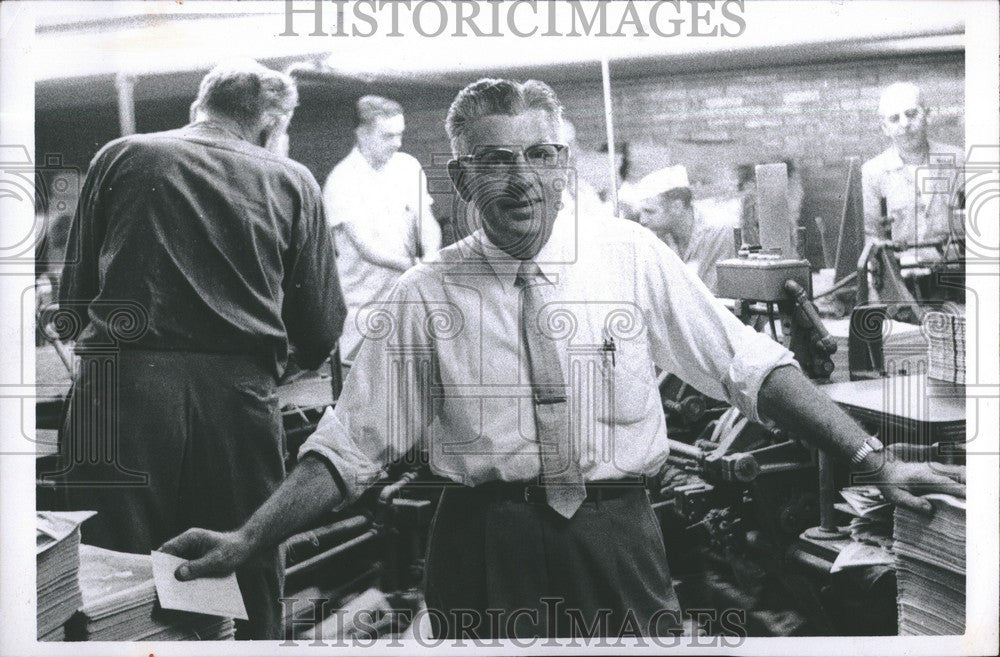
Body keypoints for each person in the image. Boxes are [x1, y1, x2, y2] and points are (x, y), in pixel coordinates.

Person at [163, 78, 963, 640]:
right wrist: (247, 539)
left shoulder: (629, 254)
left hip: (619, 538)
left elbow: (744, 364)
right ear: (462, 175)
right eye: (497, 161)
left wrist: (874, 459)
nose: (523, 179)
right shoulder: (424, 292)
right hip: (480, 549)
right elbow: (348, 446)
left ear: (565, 163)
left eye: (540, 155)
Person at [55, 59, 346, 639]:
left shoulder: (122, 155)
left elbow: (72, 303)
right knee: (243, 558)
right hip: (235, 403)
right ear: (272, 123)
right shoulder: (292, 180)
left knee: (111, 577)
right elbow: (321, 327)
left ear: (199, 108)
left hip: (119, 393)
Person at [323, 95, 442, 365]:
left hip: (403, 300)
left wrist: (432, 254)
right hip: (361, 309)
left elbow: (426, 219)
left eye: (400, 135)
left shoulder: (407, 166)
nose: (397, 143)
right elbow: (366, 249)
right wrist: (417, 267)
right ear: (362, 134)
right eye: (388, 136)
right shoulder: (342, 180)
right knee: (362, 388)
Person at [861, 82, 964, 265]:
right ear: (884, 127)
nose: (905, 124)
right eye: (894, 118)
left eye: (911, 114)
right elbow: (871, 237)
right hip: (903, 281)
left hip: (956, 276)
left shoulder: (958, 161)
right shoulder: (873, 173)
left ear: (927, 116)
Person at [635, 165, 736, 294]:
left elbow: (709, 294)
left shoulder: (717, 231)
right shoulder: (660, 234)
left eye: (649, 212)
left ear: (677, 207)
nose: (642, 220)